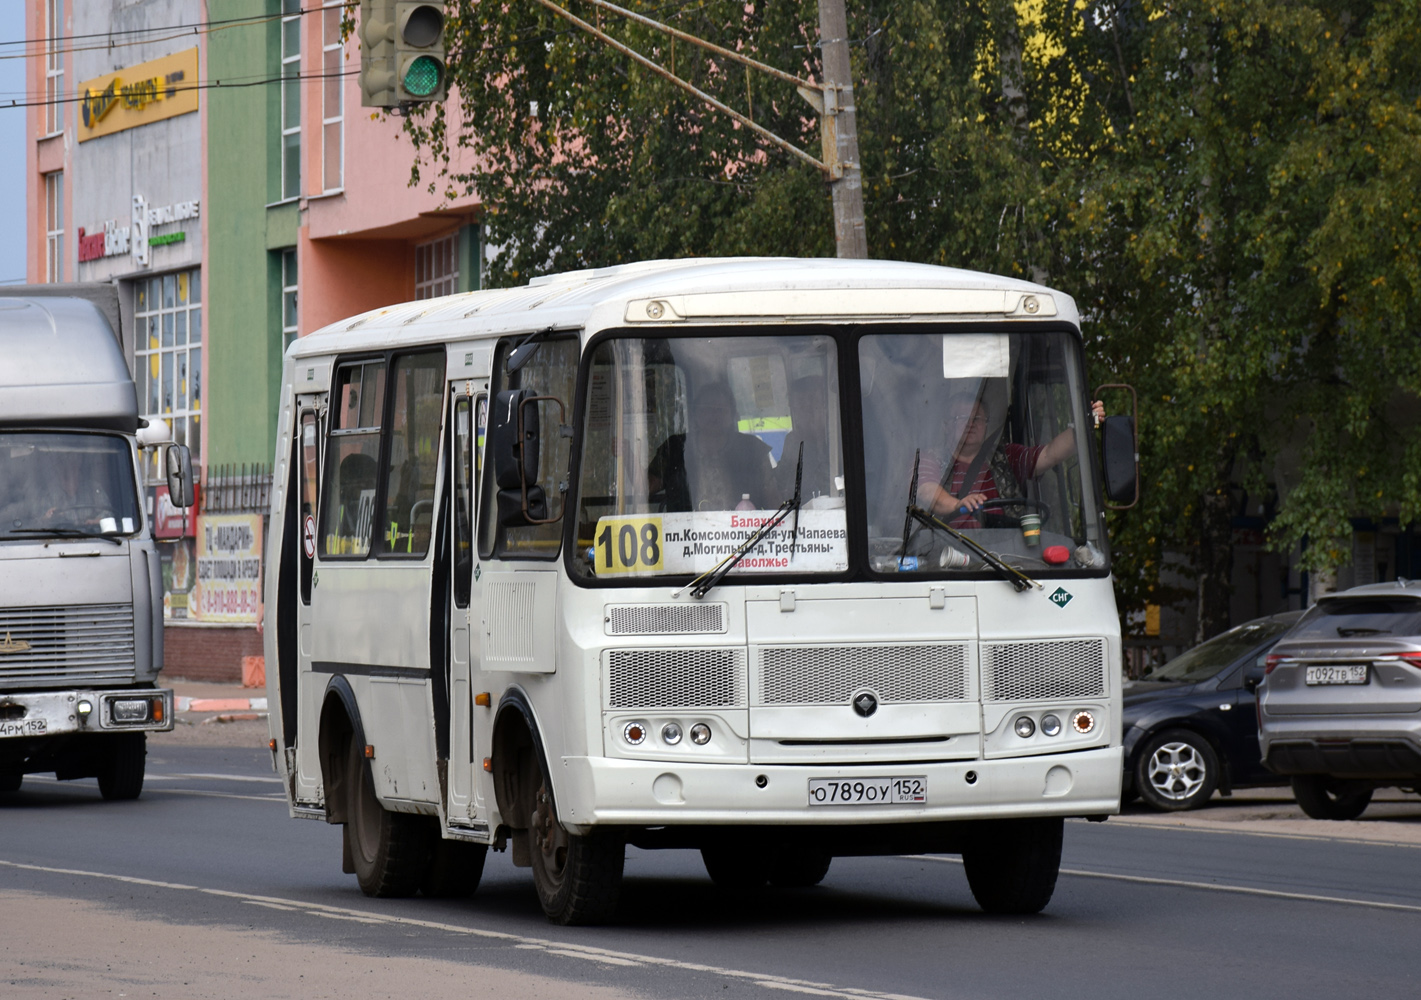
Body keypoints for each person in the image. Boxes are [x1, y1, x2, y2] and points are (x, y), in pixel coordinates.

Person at [917, 393, 1105, 526]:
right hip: (945, 560)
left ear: (986, 424)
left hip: (1007, 561)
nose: (971, 424)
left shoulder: (1006, 457)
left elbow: (1049, 454)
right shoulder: (928, 459)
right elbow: (927, 492)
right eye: (962, 417)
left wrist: (1084, 424)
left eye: (978, 418)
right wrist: (958, 505)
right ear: (945, 425)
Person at [648, 382, 773, 511]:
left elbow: (773, 497)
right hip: (685, 529)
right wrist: (628, 454)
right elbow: (646, 488)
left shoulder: (751, 448)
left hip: (745, 530)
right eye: (707, 409)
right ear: (695, 414)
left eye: (720, 409)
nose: (714, 415)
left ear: (732, 415)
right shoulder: (674, 448)